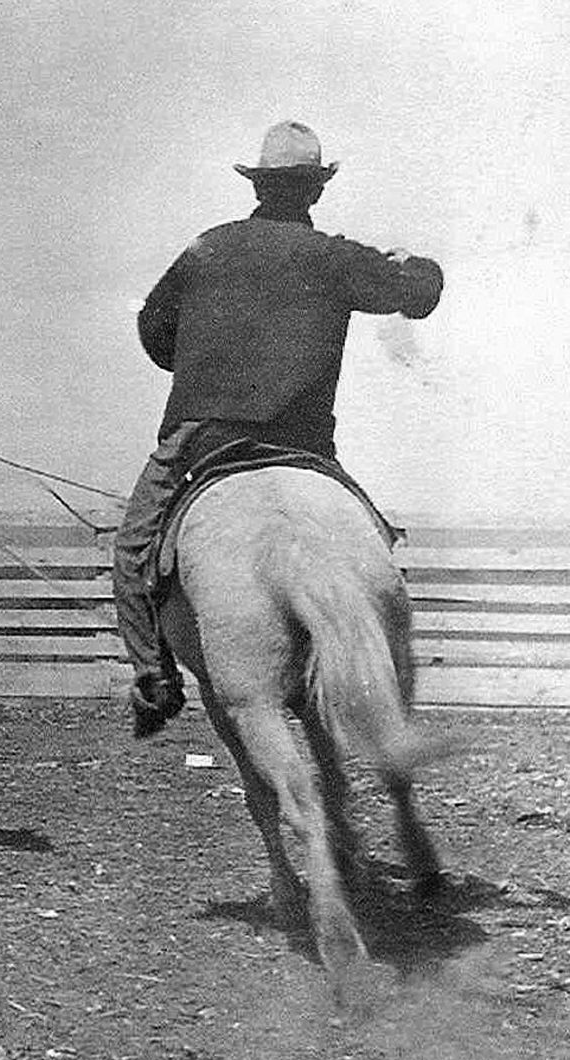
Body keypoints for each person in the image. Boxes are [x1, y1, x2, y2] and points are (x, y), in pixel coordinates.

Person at [113, 121, 444, 738]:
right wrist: (413, 265)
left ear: (259, 185)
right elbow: (419, 293)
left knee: (133, 553)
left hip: (201, 439)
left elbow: (156, 337)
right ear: (316, 191)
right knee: (369, 534)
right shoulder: (336, 258)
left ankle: (156, 677)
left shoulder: (205, 249)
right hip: (303, 443)